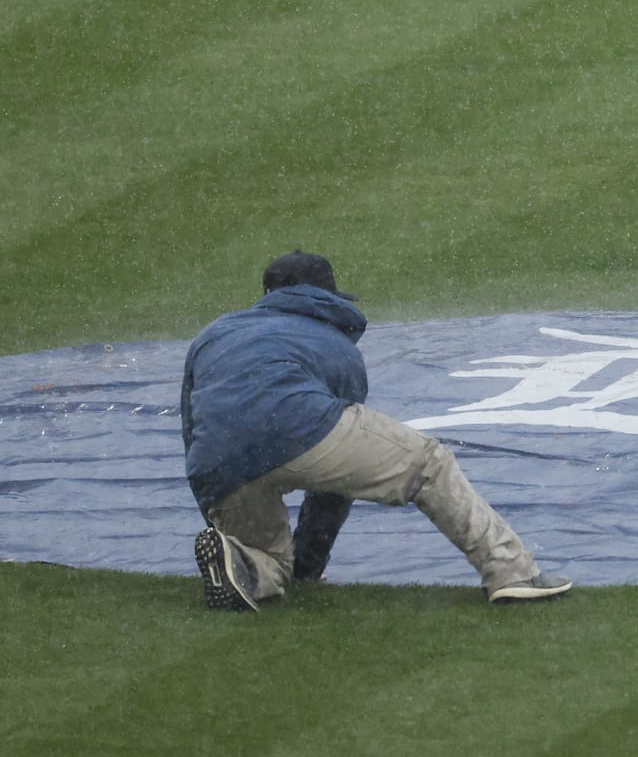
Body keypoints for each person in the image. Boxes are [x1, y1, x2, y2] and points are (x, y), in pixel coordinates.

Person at [180, 250, 572, 611]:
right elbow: (333, 484)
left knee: (268, 558)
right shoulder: (336, 345)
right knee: (428, 464)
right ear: (327, 296)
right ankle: (512, 573)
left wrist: (217, 504)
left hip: (217, 456)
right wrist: (313, 561)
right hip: (298, 427)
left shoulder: (216, 332)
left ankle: (243, 564)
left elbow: (191, 426)